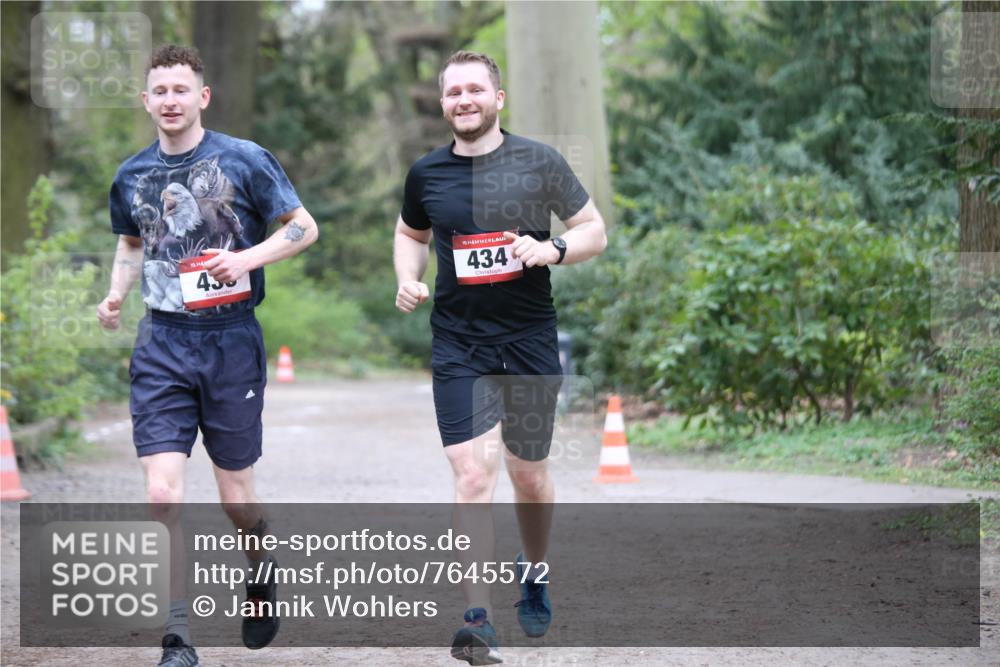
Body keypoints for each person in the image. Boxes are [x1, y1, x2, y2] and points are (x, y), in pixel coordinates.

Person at [96, 44, 318, 666]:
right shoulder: (131, 174)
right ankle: (177, 637)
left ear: (203, 96)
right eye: (159, 91)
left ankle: (261, 568)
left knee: (235, 497)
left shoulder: (244, 159)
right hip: (161, 343)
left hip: (230, 342)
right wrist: (115, 295)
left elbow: (304, 227)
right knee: (162, 494)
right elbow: (131, 242)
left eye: (181, 90)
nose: (170, 101)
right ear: (146, 101)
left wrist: (245, 259)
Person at [393, 51, 607, 665]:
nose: (464, 100)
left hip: (529, 339)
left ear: (498, 98)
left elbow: (593, 229)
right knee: (471, 474)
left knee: (528, 474)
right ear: (443, 104)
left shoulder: (539, 161)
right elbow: (410, 233)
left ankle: (534, 569)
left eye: (475, 89)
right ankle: (477, 619)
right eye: (453, 92)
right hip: (459, 343)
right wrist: (408, 277)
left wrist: (553, 249)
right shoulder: (427, 173)